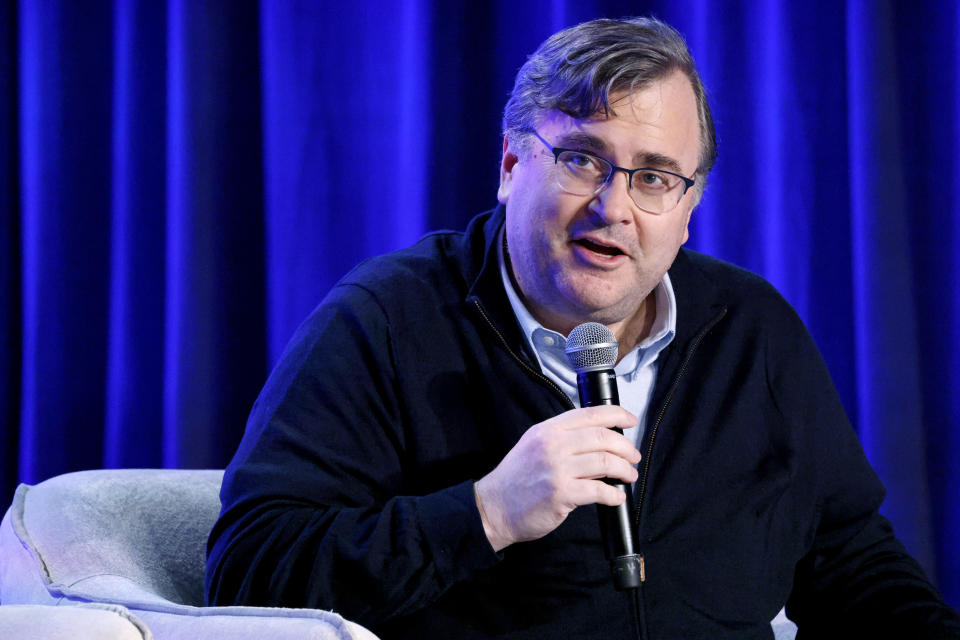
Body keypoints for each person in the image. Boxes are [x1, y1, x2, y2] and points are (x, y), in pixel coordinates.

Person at [205, 16, 960, 639]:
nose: (613, 206)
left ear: (689, 209)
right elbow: (249, 571)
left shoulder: (751, 329)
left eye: (655, 177)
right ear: (509, 166)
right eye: (581, 159)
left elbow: (848, 561)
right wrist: (487, 512)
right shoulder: (387, 321)